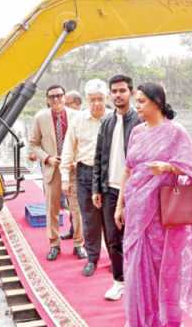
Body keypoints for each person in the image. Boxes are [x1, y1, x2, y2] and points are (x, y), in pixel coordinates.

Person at [115, 82, 192, 326]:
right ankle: (139, 320)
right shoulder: (136, 131)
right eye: (137, 101)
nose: (137, 106)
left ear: (157, 102)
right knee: (136, 268)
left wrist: (168, 167)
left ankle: (163, 321)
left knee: (162, 270)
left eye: (142, 101)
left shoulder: (175, 132)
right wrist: (119, 205)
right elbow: (127, 169)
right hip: (136, 211)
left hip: (161, 215)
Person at [92, 74, 140, 300]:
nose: (118, 95)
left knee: (136, 237)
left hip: (136, 191)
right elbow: (99, 156)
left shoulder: (140, 121)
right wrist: (96, 188)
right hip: (109, 189)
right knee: (112, 238)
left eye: (122, 90)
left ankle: (139, 281)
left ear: (130, 92)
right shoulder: (107, 122)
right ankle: (118, 281)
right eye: (115, 91)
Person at [60, 79, 109, 276]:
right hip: (84, 173)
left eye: (100, 99)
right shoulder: (78, 120)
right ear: (87, 100)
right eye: (92, 100)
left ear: (106, 98)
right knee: (89, 219)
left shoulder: (114, 119)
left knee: (111, 221)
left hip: (108, 174)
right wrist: (64, 176)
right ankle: (92, 259)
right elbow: (68, 148)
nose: (97, 103)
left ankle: (116, 260)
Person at [29, 85, 83, 261]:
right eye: (52, 96)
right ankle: (54, 244)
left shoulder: (76, 116)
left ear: (65, 97)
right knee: (52, 209)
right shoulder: (40, 117)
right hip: (52, 169)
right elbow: (33, 144)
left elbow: (84, 141)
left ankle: (78, 244)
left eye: (59, 95)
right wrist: (47, 158)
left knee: (76, 209)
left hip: (73, 169)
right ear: (47, 99)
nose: (56, 99)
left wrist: (77, 160)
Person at [60, 90, 84, 241]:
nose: (66, 108)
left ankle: (81, 237)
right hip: (68, 169)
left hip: (82, 169)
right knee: (72, 204)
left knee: (81, 207)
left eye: (68, 104)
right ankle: (73, 229)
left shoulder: (84, 121)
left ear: (78, 104)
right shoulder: (67, 119)